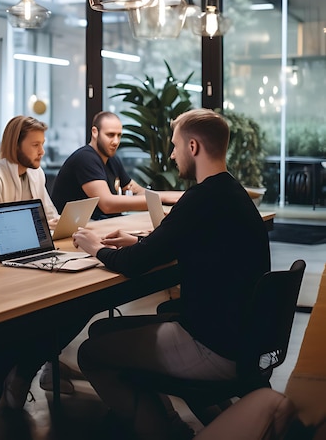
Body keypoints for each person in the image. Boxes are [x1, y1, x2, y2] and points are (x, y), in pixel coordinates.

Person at [72, 108, 271, 440]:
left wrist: (95, 247)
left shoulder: (200, 198)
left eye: (176, 145)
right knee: (104, 328)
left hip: (210, 346)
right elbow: (189, 241)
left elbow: (134, 264)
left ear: (193, 147)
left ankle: (163, 430)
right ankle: (175, 425)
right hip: (241, 339)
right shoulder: (230, 194)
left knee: (90, 353)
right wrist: (137, 241)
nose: (172, 154)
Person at [0, 116, 80, 397]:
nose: (42, 151)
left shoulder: (35, 173)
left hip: (17, 261)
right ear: (16, 145)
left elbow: (49, 216)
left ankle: (24, 371)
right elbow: (3, 231)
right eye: (35, 145)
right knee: (40, 315)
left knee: (71, 305)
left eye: (43, 144)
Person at [51, 111, 148, 219]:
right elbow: (107, 204)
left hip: (101, 225)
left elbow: (135, 190)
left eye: (119, 135)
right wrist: (159, 200)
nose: (116, 141)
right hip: (76, 231)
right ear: (95, 132)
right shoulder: (85, 158)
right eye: (110, 135)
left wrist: (166, 197)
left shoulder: (112, 159)